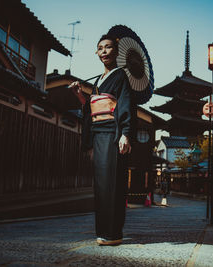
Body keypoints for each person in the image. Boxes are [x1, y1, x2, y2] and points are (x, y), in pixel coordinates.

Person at [69, 33, 133, 246]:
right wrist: (80, 94)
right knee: (101, 186)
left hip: (112, 135)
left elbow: (124, 104)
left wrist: (125, 133)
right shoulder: (98, 81)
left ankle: (113, 233)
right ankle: (103, 231)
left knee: (113, 184)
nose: (104, 51)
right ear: (97, 53)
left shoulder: (121, 76)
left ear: (116, 51)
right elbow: (91, 109)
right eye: (100, 48)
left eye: (108, 47)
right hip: (98, 135)